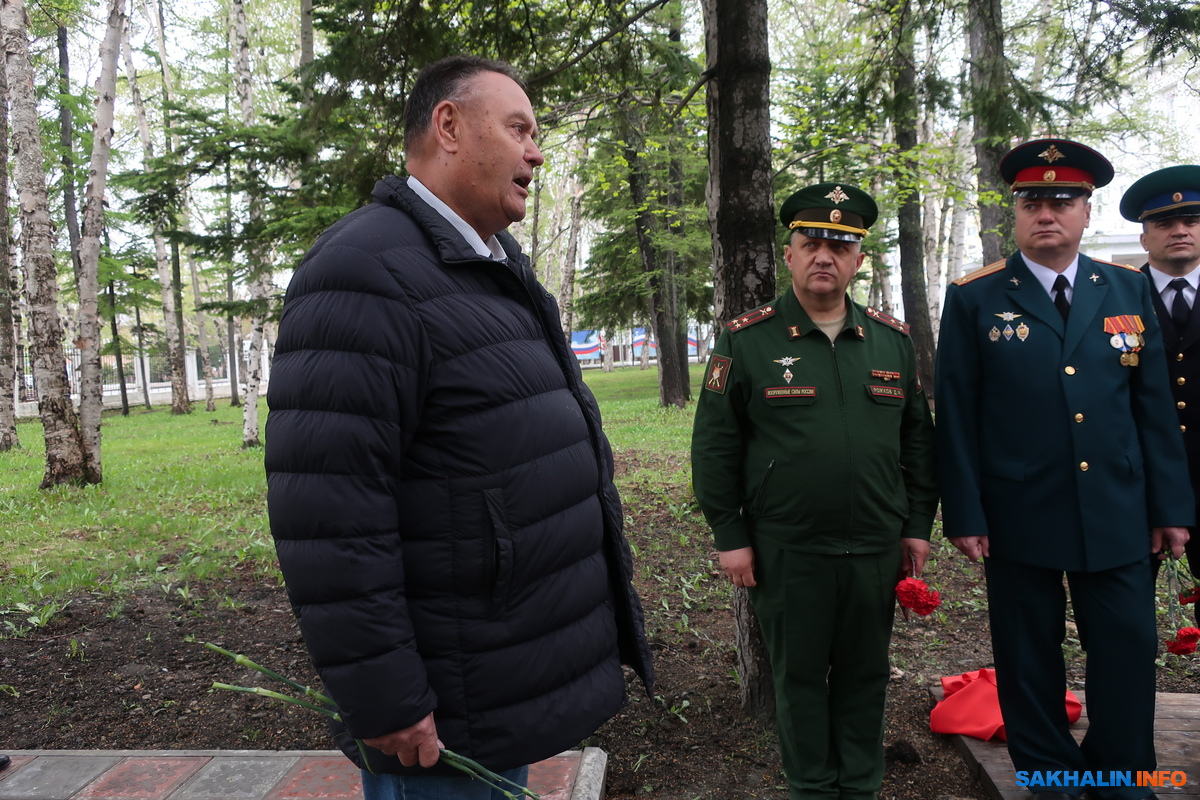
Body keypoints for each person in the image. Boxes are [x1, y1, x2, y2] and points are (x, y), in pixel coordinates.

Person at [264, 55, 653, 800]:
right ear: (447, 126)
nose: (536, 151)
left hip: (493, 676)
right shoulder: (364, 271)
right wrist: (387, 697)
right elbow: (331, 515)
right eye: (518, 129)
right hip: (440, 711)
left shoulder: (490, 260)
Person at [935, 139, 1194, 800]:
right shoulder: (976, 298)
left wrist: (1171, 509)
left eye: (1063, 200)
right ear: (1015, 213)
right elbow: (957, 414)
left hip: (1118, 507)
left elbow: (1155, 409)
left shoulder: (1128, 288)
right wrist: (964, 511)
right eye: (1032, 201)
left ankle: (1119, 775)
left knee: (1128, 651)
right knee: (1027, 656)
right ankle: (1051, 776)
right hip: (1018, 509)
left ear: (1086, 211)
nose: (1046, 213)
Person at [691, 183, 938, 800]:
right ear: (790, 254)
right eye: (812, 243)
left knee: (866, 674)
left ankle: (859, 786)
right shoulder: (747, 341)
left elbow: (918, 444)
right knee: (798, 677)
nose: (824, 255)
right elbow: (715, 446)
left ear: (858, 260)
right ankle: (811, 787)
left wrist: (915, 525)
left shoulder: (891, 341)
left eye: (840, 244)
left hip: (876, 545)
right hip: (787, 548)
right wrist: (730, 536)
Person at [1121, 166, 1200, 601]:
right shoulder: (1115, 297)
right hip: (1139, 484)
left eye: (1191, 221)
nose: (1180, 231)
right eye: (1165, 223)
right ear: (1144, 237)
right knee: (1125, 607)